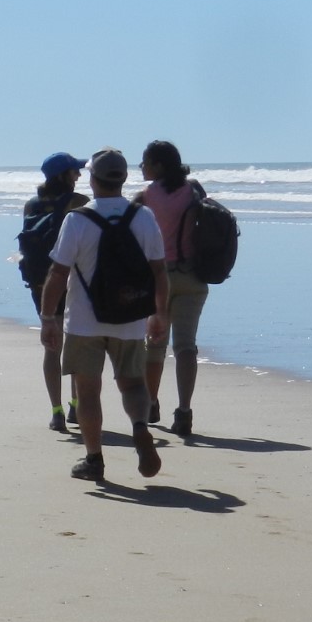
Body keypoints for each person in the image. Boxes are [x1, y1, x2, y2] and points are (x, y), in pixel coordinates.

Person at [38, 148, 168, 482]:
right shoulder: (144, 217)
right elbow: (159, 272)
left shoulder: (77, 219)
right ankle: (140, 425)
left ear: (93, 179)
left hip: (84, 320)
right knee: (133, 383)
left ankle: (93, 459)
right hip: (130, 316)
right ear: (124, 178)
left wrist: (48, 317)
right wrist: (159, 315)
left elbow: (58, 273)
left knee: (87, 391)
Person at [139, 140, 208, 437]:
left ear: (158, 165)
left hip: (158, 278)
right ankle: (184, 411)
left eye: (145, 162)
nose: (141, 167)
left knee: (154, 344)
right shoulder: (194, 189)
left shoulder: (144, 197)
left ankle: (151, 403)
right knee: (186, 346)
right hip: (192, 275)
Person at [21, 152, 90, 431]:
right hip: (72, 280)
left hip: (40, 282)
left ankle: (56, 411)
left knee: (52, 347)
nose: (79, 176)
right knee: (75, 344)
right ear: (63, 175)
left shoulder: (31, 205)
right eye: (74, 171)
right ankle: (76, 406)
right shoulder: (79, 203)